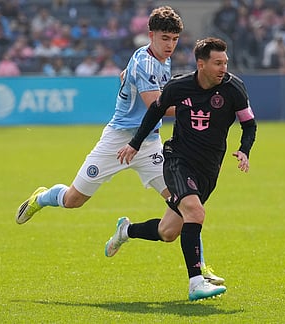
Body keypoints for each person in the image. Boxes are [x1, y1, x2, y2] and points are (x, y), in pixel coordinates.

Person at [15, 6, 223, 285]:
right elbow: (155, 106)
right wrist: (200, 106)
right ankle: (42, 197)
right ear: (151, 35)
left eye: (174, 39)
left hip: (148, 144)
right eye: (165, 39)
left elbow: (131, 79)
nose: (170, 45)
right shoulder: (146, 62)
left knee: (187, 204)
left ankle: (200, 268)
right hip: (118, 140)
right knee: (73, 200)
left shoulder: (158, 59)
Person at [110, 37, 257, 301]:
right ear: (201, 64)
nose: (223, 68)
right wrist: (134, 144)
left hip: (209, 168)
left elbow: (249, 124)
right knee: (195, 211)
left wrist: (244, 150)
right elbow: (154, 113)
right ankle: (196, 282)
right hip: (178, 160)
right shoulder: (179, 86)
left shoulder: (234, 88)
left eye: (225, 62)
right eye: (217, 63)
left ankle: (126, 231)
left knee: (168, 232)